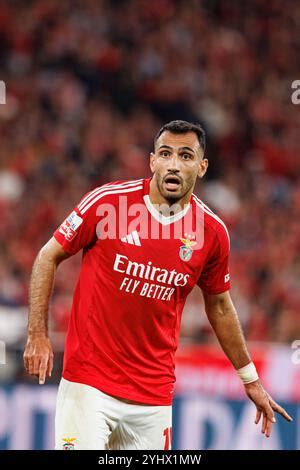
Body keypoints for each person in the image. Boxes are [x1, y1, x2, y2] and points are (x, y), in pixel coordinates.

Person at [23, 120, 292, 450]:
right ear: (152, 161)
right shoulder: (108, 203)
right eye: (165, 154)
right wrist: (37, 334)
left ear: (202, 166)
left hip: (153, 398)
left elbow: (220, 305)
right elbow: (47, 256)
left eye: (185, 155)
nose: (174, 164)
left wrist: (249, 379)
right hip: (88, 385)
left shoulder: (211, 232)